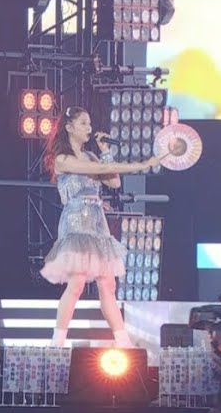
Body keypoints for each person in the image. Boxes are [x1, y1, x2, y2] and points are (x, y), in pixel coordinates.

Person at [41, 106, 162, 347]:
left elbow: (114, 182)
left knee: (108, 284)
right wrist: (142, 164)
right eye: (83, 123)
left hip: (98, 222)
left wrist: (106, 152)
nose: (89, 128)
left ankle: (123, 341)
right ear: (69, 127)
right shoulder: (63, 159)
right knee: (77, 282)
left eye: (89, 123)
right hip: (77, 222)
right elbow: (102, 171)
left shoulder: (91, 156)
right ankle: (57, 342)